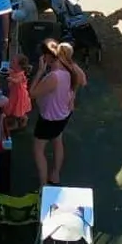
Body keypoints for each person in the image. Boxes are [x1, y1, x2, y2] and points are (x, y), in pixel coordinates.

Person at [31, 40, 86, 185]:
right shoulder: (70, 68)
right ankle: (55, 175)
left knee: (38, 150)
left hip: (49, 119)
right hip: (64, 115)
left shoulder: (53, 77)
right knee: (57, 140)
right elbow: (83, 81)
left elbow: (32, 93)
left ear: (47, 57)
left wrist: (40, 71)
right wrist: (72, 95)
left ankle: (43, 185)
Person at [4, 53, 32, 130]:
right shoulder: (14, 71)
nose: (11, 63)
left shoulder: (21, 75)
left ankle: (19, 122)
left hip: (20, 96)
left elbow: (17, 81)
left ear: (19, 66)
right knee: (15, 109)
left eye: (13, 62)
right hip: (14, 94)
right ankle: (17, 122)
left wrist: (10, 79)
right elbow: (9, 71)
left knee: (19, 110)